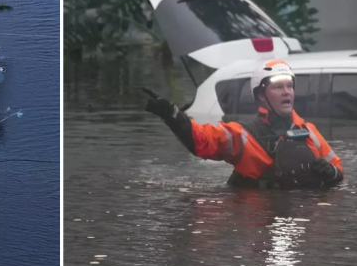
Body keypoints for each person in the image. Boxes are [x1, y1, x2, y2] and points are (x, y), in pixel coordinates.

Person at [144, 60, 343, 189]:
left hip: (301, 221)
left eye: (290, 86)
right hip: (257, 223)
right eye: (278, 87)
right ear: (260, 95)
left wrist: (332, 173)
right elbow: (200, 140)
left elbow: (338, 170)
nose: (286, 92)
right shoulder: (241, 135)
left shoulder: (309, 132)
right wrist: (171, 113)